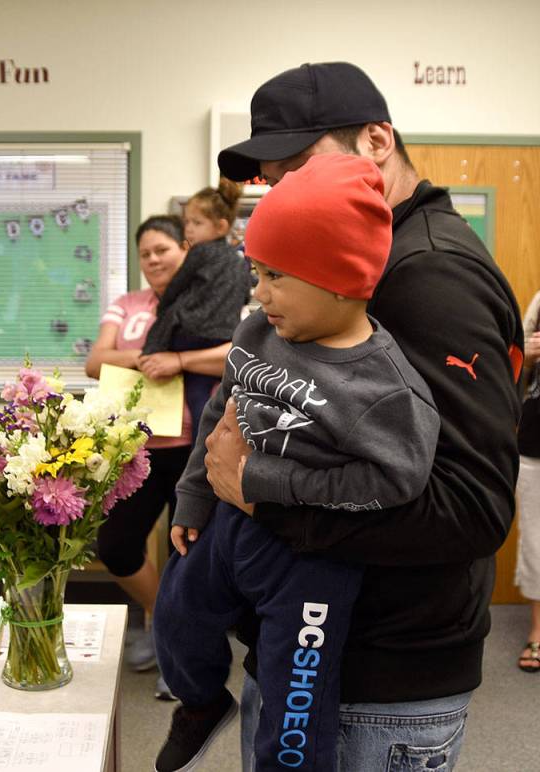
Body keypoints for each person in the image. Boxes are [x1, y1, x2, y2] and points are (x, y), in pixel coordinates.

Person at [209, 62, 523, 770]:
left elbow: (471, 509)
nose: (280, 192)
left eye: (295, 166)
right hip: (312, 646)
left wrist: (261, 496)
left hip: (378, 682)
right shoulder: (345, 262)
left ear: (378, 139)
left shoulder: (429, 277)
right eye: (271, 178)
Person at [153, 153, 439, 772]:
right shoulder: (260, 332)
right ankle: (201, 704)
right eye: (257, 273)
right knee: (174, 616)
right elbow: (221, 413)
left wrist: (263, 481)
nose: (258, 293)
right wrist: (195, 495)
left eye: (274, 276)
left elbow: (398, 480)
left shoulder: (383, 390)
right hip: (228, 523)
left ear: (339, 279)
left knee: (294, 707)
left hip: (311, 564)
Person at [84, 214, 249, 696]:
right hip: (139, 450)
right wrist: (145, 358)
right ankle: (165, 622)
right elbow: (95, 361)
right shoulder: (128, 306)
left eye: (163, 249)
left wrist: (176, 359)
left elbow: (236, 353)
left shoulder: (211, 295)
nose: (153, 260)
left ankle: (182, 649)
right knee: (115, 545)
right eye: (145, 254)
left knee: (190, 555)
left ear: (186, 250)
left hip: (196, 451)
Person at [515, 290, 540, 672]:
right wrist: (529, 356)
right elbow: (511, 368)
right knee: (537, 540)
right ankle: (538, 633)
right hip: (536, 441)